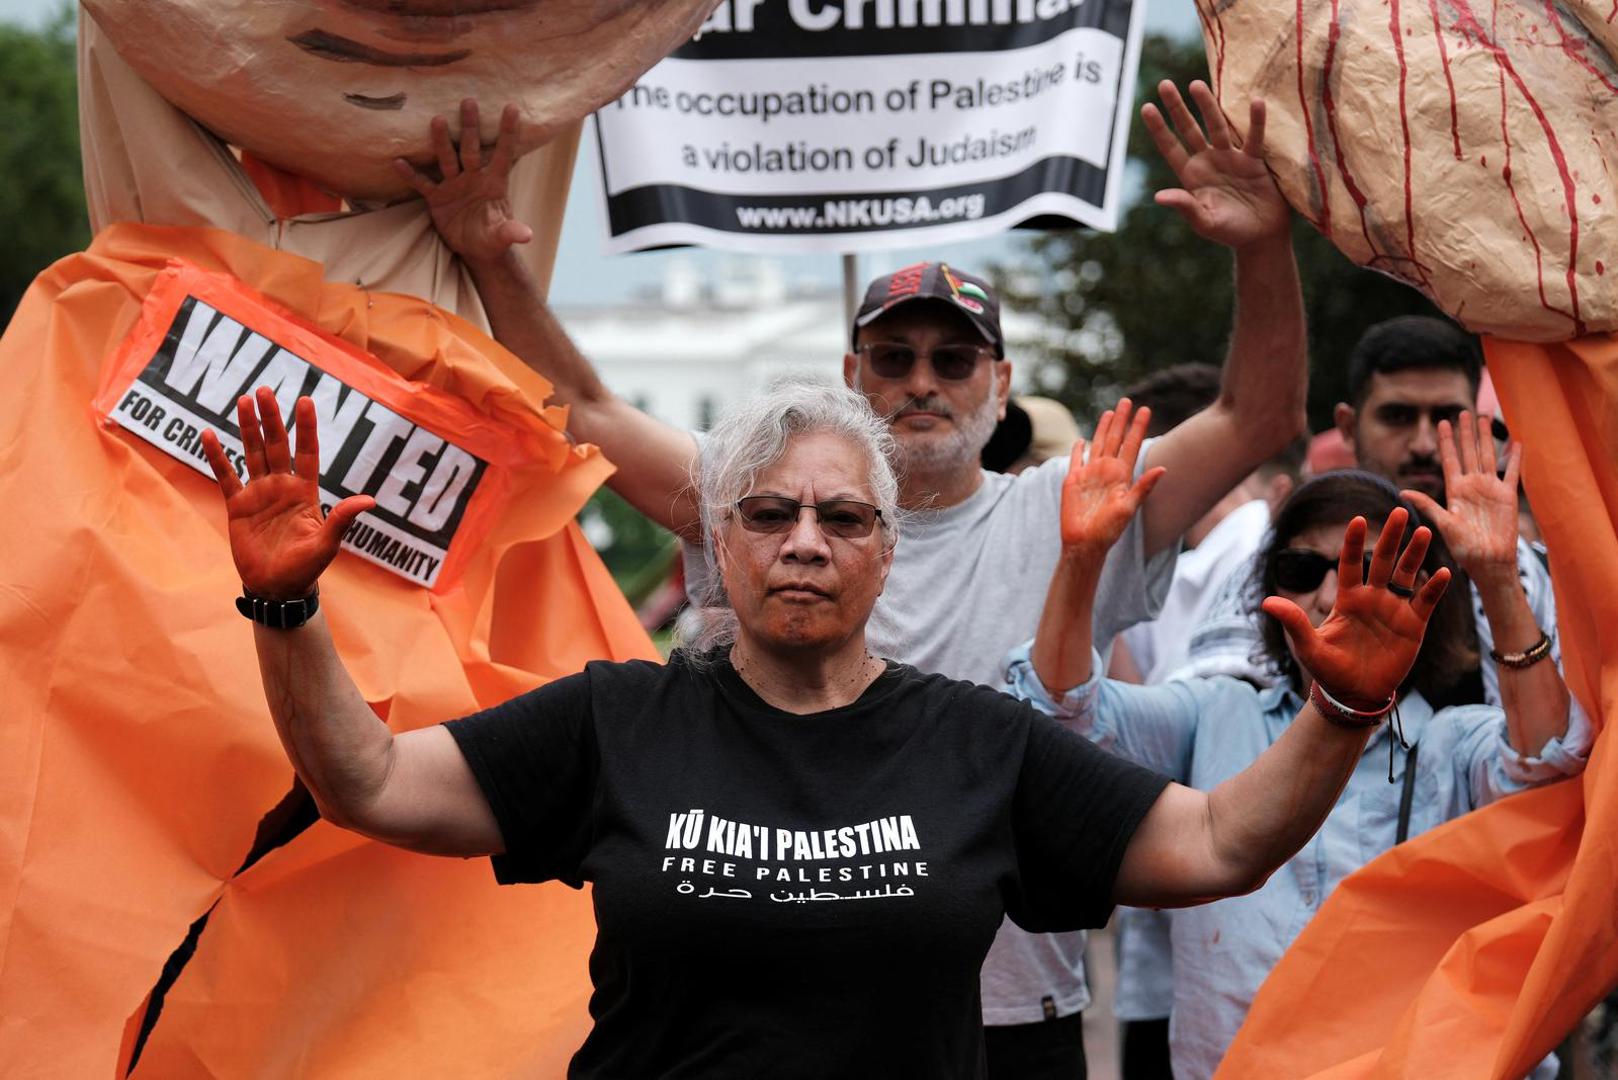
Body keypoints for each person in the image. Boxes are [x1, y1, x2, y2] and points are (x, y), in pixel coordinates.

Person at [394, 85, 1310, 1076]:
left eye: (954, 360)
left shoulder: (1078, 508)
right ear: (850, 372)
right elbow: (581, 405)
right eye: (893, 357)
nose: (922, 381)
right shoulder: (751, 493)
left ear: (999, 384)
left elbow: (1257, 418)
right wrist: (492, 256)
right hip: (778, 1012)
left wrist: (1260, 247)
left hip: (1014, 1011)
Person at [201, 380, 1456, 1078]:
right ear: (716, 543)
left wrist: (1344, 709)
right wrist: (286, 604)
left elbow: (1219, 844)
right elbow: (363, 777)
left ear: (885, 552)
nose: (806, 540)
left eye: (843, 519)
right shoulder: (613, 718)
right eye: (770, 513)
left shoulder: (980, 742)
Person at [1007, 419, 1590, 1080]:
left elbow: (1545, 772)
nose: (1331, 594)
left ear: (1424, 599)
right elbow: (1060, 719)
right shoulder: (1214, 714)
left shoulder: (1452, 743)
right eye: (1303, 568)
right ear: (1266, 597)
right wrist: (1082, 562)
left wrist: (1495, 577)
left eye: (1368, 569)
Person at [1178, 316, 1570, 724]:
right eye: (1397, 417)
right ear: (1348, 427)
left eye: (1445, 418)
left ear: (1478, 428)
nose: (1422, 444)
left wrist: (1497, 579)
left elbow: (1552, 750)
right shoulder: (1291, 561)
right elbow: (1213, 722)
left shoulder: (1527, 571)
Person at [1104, 364, 1303, 1080]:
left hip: (1235, 930)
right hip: (1185, 940)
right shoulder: (1177, 562)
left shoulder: (1250, 553)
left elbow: (1139, 740)